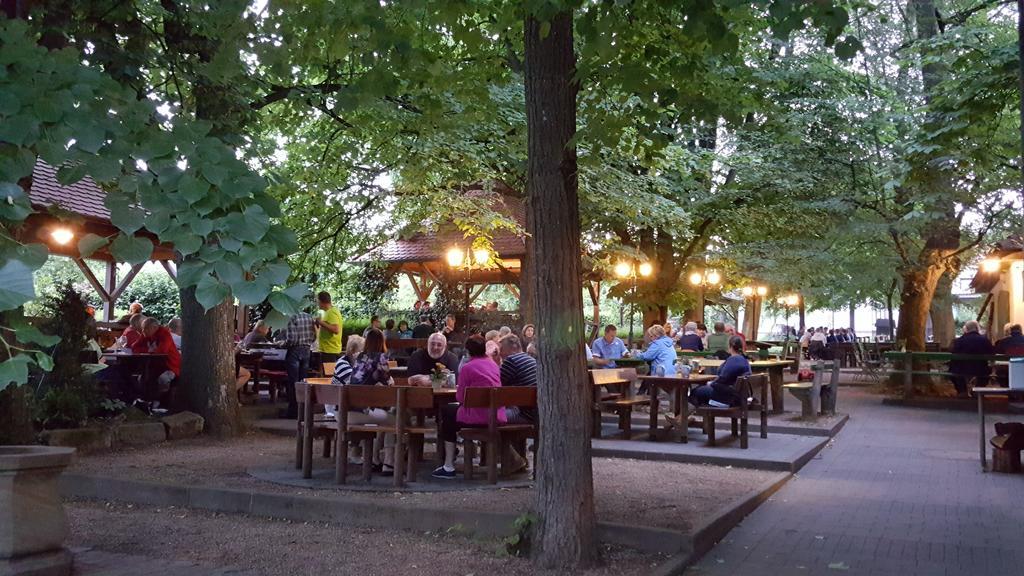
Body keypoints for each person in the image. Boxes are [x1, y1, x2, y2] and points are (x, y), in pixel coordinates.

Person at [433, 335, 505, 479]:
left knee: (447, 413)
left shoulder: (467, 367)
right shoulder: (493, 365)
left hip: (477, 416)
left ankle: (448, 465)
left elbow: (460, 398)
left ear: (467, 351)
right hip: (496, 414)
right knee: (451, 412)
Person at [690, 336, 751, 408]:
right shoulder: (744, 360)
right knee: (700, 390)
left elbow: (723, 378)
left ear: (730, 346)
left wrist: (712, 383)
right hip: (735, 395)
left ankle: (697, 413)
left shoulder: (734, 359)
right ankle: (699, 412)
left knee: (695, 392)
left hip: (726, 397)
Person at [283, 308, 317, 419]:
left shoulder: (292, 317)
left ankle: (292, 412)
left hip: (294, 350)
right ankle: (303, 411)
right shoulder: (309, 317)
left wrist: (282, 344)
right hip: (307, 350)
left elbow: (291, 339)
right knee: (303, 382)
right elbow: (314, 336)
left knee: (294, 382)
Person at [141, 317, 181, 405]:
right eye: (143, 329)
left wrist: (148, 350)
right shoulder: (149, 335)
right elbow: (136, 346)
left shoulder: (165, 335)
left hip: (172, 366)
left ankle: (160, 402)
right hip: (159, 365)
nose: (143, 331)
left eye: (146, 329)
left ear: (154, 327)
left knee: (162, 378)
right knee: (145, 375)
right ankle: (149, 401)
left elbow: (162, 351)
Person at [949, 320, 995, 397]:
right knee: (986, 372)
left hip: (961, 369)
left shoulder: (959, 341)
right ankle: (978, 390)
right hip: (980, 369)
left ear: (966, 329)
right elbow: (992, 354)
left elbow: (953, 354)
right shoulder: (984, 340)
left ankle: (962, 391)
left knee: (954, 371)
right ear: (977, 328)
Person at [499, 335, 537, 423]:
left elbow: (497, 384)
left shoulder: (511, 360)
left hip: (524, 414)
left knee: (492, 416)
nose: (500, 353)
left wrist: (496, 361)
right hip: (535, 412)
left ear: (513, 347)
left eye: (501, 349)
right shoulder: (530, 359)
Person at [314, 291, 343, 363]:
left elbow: (336, 329)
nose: (317, 303)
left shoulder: (332, 312)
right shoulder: (328, 312)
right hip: (328, 350)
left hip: (330, 351)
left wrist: (320, 322)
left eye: (317, 301)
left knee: (329, 374)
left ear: (322, 301)